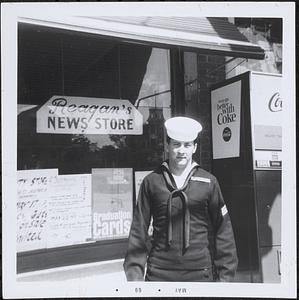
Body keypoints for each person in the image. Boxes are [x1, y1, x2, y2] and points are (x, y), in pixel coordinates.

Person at [123, 116, 238, 282]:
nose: (181, 150)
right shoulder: (151, 181)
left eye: (187, 145)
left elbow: (224, 231)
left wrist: (225, 277)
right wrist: (134, 277)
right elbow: (138, 232)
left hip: (200, 273)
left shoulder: (209, 182)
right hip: (159, 273)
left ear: (195, 148)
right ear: (167, 146)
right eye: (176, 144)